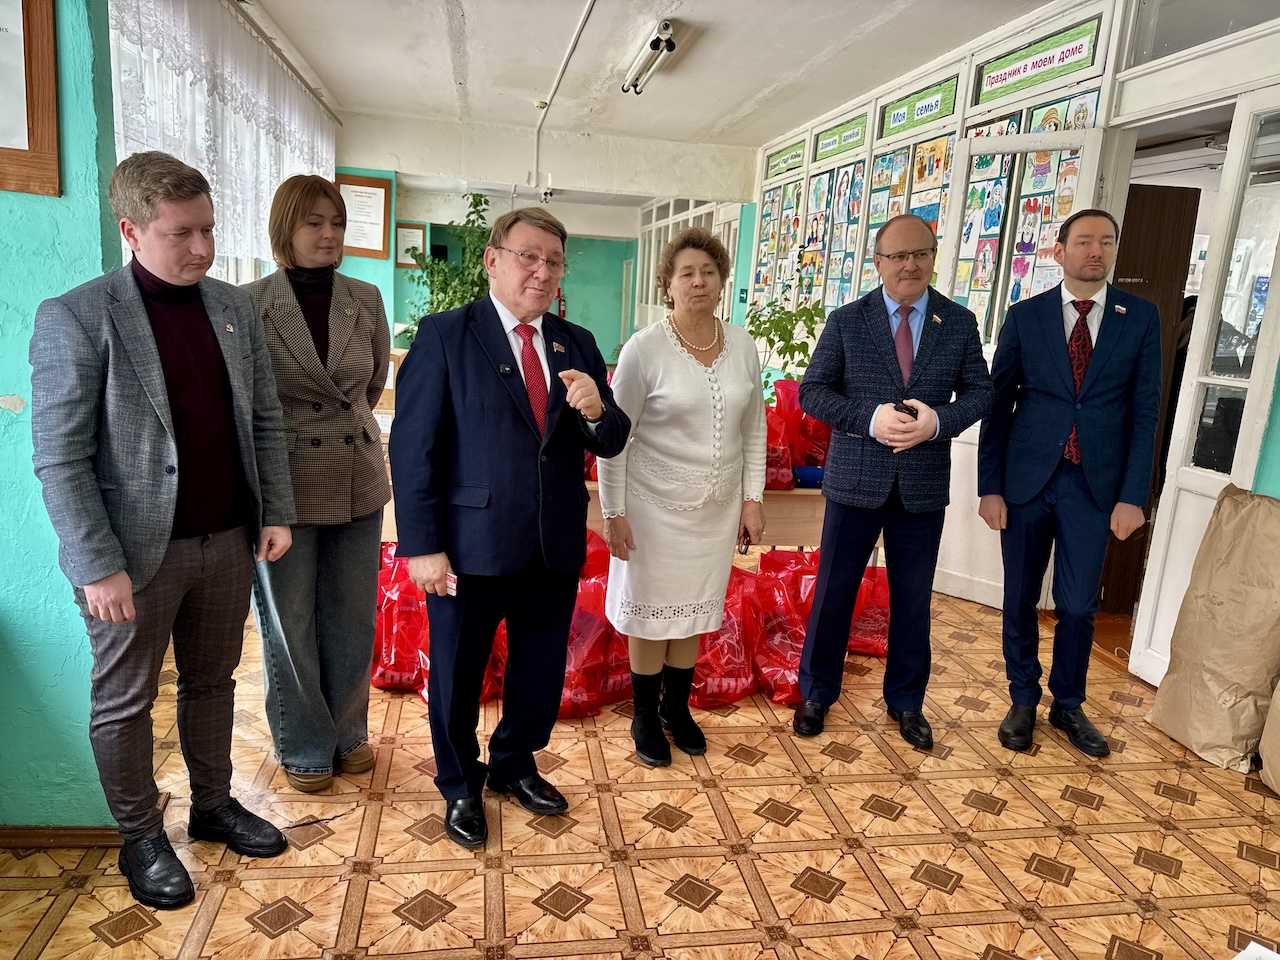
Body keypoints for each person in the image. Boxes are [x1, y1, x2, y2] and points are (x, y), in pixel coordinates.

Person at [29, 151, 295, 909]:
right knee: (125, 702)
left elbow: (264, 418)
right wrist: (94, 564)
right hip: (131, 558)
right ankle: (141, 837)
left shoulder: (233, 309)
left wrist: (274, 509)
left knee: (214, 682)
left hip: (227, 541)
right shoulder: (78, 316)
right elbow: (59, 456)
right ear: (131, 230)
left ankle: (212, 806)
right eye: (182, 233)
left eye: (208, 228)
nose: (203, 248)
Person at [389, 207, 629, 849]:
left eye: (553, 261)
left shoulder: (576, 341)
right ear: (492, 260)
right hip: (467, 547)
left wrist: (597, 410)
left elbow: (611, 438)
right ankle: (460, 784)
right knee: (457, 675)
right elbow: (413, 449)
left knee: (540, 668)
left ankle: (515, 763)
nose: (541, 272)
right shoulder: (446, 334)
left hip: (551, 543)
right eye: (528, 257)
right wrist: (423, 546)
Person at [792, 214, 992, 748]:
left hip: (921, 488)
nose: (910, 265)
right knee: (833, 592)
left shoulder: (958, 322)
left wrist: (938, 422)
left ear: (934, 258)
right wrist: (870, 418)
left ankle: (906, 702)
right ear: (877, 263)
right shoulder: (847, 320)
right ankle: (816, 693)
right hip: (854, 481)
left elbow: (981, 393)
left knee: (913, 599)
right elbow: (813, 391)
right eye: (898, 256)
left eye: (920, 254)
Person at [978, 208, 1161, 758]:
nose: (1096, 251)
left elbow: (1145, 412)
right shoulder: (1026, 316)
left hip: (1094, 485)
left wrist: (1133, 496)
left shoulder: (1140, 317)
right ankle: (1022, 698)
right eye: (1083, 241)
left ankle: (1068, 704)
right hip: (1027, 481)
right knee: (1019, 595)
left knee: (1079, 605)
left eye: (1106, 241)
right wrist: (990, 486)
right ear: (1060, 252)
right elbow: (998, 406)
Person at [599, 228, 766, 767]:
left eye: (708, 272)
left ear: (721, 281)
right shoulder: (643, 349)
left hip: (716, 512)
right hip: (652, 510)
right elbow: (613, 436)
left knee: (695, 611)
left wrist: (753, 498)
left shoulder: (742, 345)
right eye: (686, 273)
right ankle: (645, 716)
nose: (699, 282)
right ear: (667, 284)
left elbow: (754, 427)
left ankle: (676, 708)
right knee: (651, 614)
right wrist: (613, 511)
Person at [244, 175, 390, 793]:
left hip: (357, 477)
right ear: (286, 228)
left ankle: (348, 732)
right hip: (284, 482)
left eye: (337, 222)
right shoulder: (249, 303)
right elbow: (248, 398)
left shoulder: (365, 297)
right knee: (290, 619)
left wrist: (339, 426)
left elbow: (372, 384)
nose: (329, 234)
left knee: (352, 616)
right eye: (314, 222)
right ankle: (304, 742)